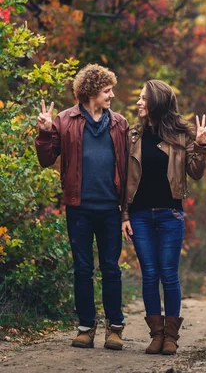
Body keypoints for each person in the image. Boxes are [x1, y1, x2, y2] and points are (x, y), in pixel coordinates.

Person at [35, 64, 129, 350]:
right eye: (107, 91)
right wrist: (44, 132)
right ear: (90, 93)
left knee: (111, 268)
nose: (112, 95)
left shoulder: (119, 123)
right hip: (79, 207)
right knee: (82, 269)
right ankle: (85, 327)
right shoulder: (64, 120)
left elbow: (127, 169)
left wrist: (126, 210)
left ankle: (114, 328)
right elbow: (46, 160)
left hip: (111, 209)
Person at [121, 80, 206, 356]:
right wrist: (124, 214)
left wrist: (200, 146)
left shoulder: (182, 136)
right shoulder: (133, 135)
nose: (138, 103)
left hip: (171, 215)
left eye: (143, 98)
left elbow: (195, 173)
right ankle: (156, 335)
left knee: (169, 275)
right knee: (149, 275)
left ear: (157, 102)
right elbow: (124, 179)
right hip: (139, 216)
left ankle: (171, 336)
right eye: (138, 98)